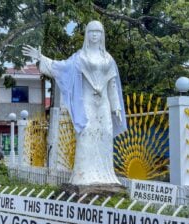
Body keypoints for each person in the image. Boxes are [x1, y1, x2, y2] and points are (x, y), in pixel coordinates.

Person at [22, 20, 127, 185]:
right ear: (87, 34)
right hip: (87, 103)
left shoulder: (108, 58)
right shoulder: (80, 58)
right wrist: (41, 58)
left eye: (98, 32)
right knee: (85, 135)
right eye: (91, 31)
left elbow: (112, 85)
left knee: (105, 135)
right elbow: (60, 68)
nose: (95, 35)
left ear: (102, 35)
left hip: (104, 104)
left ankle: (105, 176)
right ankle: (83, 176)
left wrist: (117, 108)